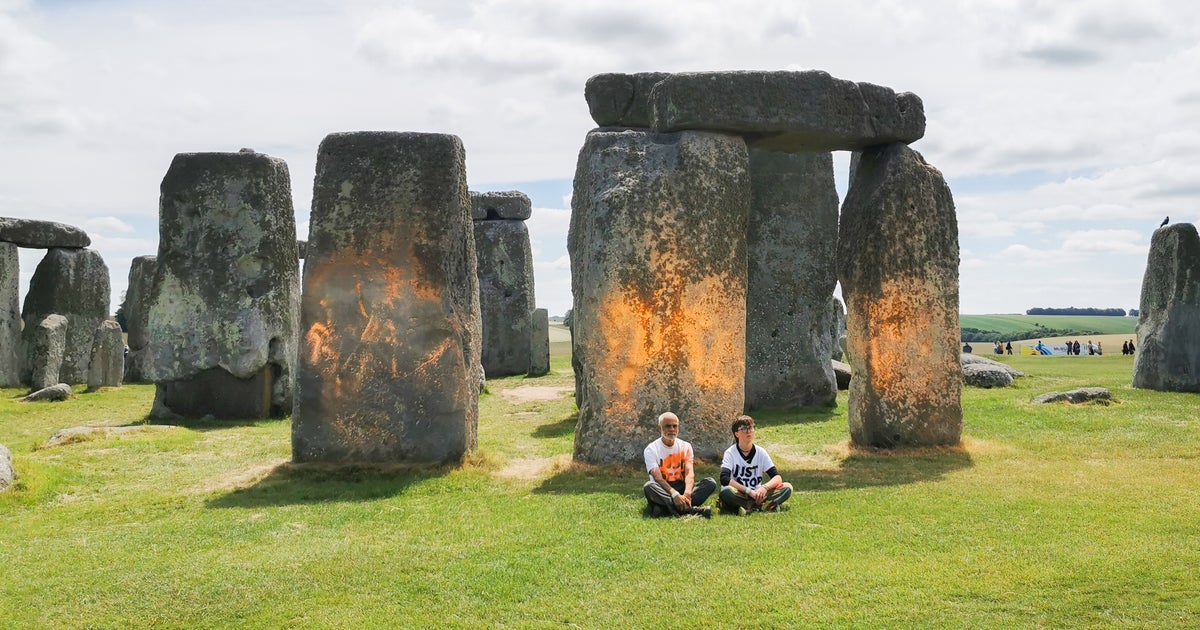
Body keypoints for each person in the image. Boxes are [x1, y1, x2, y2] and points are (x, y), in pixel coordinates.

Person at [643, 411, 716, 518]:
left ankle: (664, 508)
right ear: (660, 427)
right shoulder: (651, 449)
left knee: (710, 483)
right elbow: (658, 478)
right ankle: (691, 510)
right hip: (663, 490)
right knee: (649, 486)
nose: (672, 429)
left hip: (682, 487)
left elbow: (689, 474)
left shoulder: (686, 446)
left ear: (678, 427)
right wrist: (674, 495)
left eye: (674, 426)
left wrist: (687, 494)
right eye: (668, 426)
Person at [717, 415, 793, 515]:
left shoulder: (761, 452)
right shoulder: (730, 453)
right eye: (744, 429)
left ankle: (748, 507)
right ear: (737, 434)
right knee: (726, 491)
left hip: (758, 494)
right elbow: (724, 479)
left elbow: (777, 477)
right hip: (741, 493)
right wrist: (749, 492)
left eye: (751, 428)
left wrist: (764, 488)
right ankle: (764, 506)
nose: (748, 431)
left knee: (787, 487)